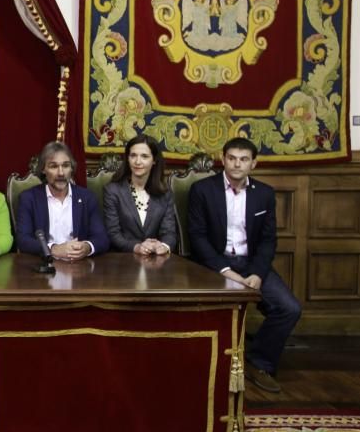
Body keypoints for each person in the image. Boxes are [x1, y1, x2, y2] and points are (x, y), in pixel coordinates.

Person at [188, 137, 301, 394]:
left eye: (243, 159)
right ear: (223, 159)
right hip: (213, 264)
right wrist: (226, 272)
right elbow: (197, 237)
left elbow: (268, 240)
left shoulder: (264, 193)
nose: (237, 164)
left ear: (253, 163)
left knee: (289, 308)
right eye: (232, 158)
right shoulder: (203, 190)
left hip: (251, 264)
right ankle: (205, 368)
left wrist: (257, 274)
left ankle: (258, 362)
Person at [15, 141, 109, 260]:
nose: (61, 173)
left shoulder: (87, 197)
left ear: (71, 168)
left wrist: (87, 247)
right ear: (43, 169)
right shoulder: (29, 198)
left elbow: (102, 238)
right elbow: (23, 240)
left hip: (79, 267)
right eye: (53, 166)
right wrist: (53, 249)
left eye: (65, 165)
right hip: (43, 266)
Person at [103, 134, 178, 254]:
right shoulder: (113, 190)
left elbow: (169, 233)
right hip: (122, 260)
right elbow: (113, 234)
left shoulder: (165, 193)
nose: (137, 161)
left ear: (154, 160)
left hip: (155, 261)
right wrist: (137, 247)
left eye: (144, 156)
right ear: (127, 159)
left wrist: (163, 246)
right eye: (133, 155)